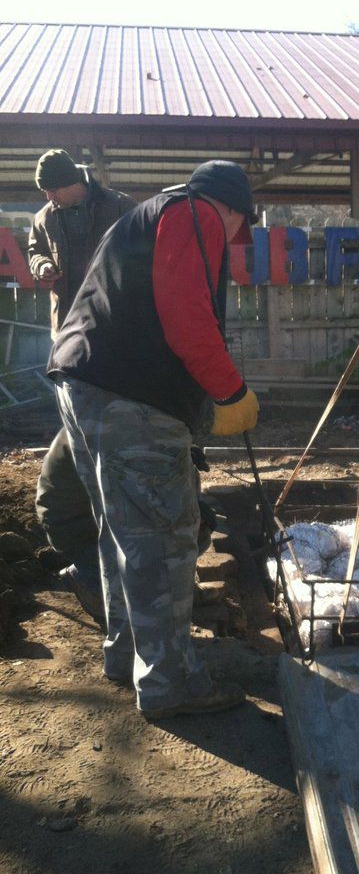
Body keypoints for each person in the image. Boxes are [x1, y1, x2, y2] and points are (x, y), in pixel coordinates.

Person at [47, 160, 260, 718]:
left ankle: (126, 657)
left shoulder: (147, 213)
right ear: (234, 208)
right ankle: (172, 685)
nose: (235, 240)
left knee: (123, 532)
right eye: (243, 228)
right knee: (163, 540)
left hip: (84, 382)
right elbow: (189, 318)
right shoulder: (199, 213)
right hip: (128, 397)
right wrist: (231, 392)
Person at [36, 428, 218, 630]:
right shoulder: (114, 418)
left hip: (104, 512)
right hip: (78, 527)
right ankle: (92, 582)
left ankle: (175, 586)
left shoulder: (141, 412)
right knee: (179, 535)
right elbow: (137, 493)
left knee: (195, 531)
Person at [28, 149, 135, 337]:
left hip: (114, 324)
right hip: (66, 325)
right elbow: (36, 251)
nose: (49, 197)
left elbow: (145, 254)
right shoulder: (44, 219)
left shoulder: (121, 207)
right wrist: (42, 264)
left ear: (71, 183)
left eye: (52, 190)